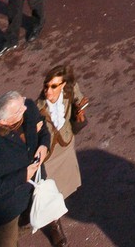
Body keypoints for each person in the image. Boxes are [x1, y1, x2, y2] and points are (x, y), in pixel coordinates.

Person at [0, 90, 51, 247]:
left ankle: (56, 236)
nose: (25, 108)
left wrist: (44, 145)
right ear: (4, 122)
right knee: (7, 243)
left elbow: (43, 130)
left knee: (49, 210)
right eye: (19, 110)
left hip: (37, 185)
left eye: (22, 102)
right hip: (7, 207)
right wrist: (23, 175)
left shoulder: (28, 107)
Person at [35, 62, 86, 245]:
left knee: (64, 183)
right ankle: (55, 227)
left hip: (65, 144)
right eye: (46, 86)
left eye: (54, 86)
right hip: (48, 154)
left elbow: (79, 99)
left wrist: (80, 109)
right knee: (49, 188)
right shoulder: (38, 107)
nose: (48, 91)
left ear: (63, 85)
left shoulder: (70, 91)